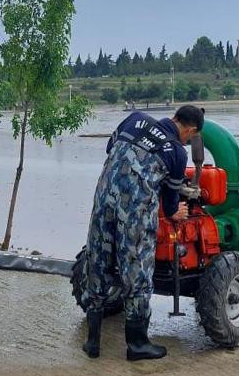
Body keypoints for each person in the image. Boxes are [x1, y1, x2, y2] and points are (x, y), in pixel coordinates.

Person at [81, 105, 204, 361]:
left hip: (103, 200)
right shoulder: (177, 152)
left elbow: (111, 149)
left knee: (98, 262)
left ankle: (92, 341)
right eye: (190, 137)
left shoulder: (135, 120)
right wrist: (177, 212)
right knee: (137, 271)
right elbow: (170, 202)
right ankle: (137, 344)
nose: (187, 141)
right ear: (191, 130)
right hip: (135, 213)